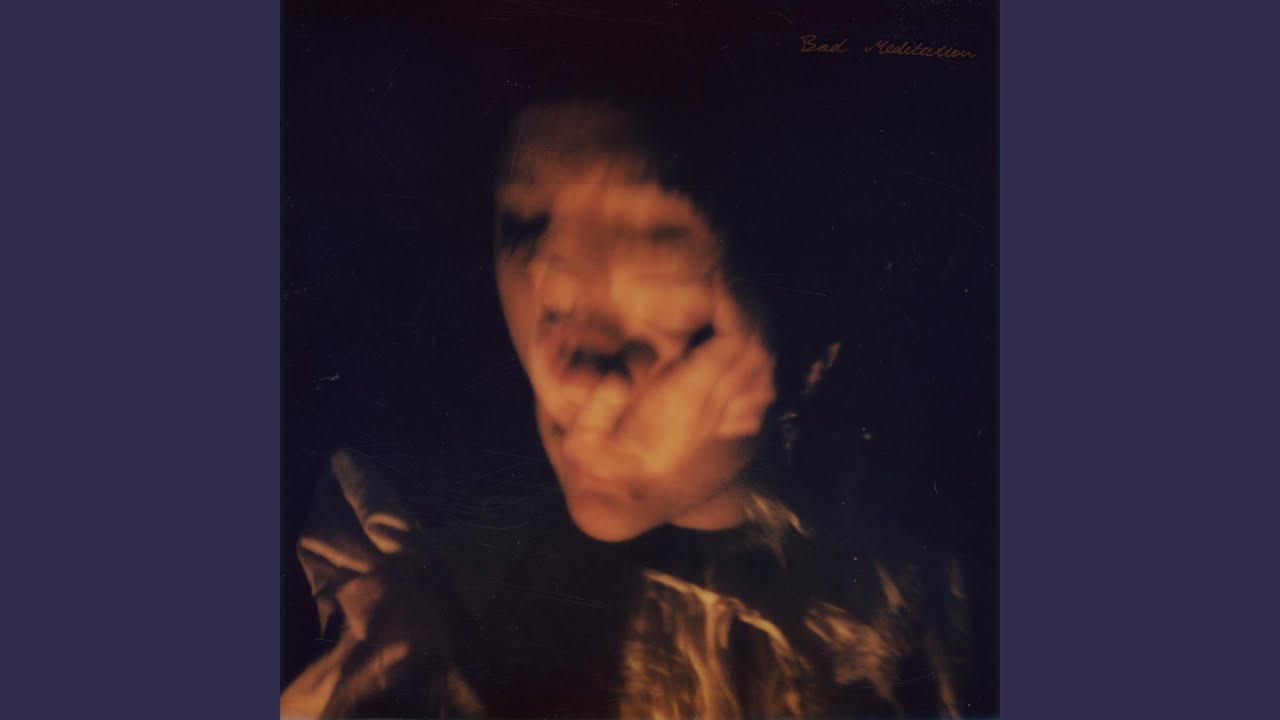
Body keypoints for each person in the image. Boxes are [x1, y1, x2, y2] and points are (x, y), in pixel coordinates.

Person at [282, 97, 979, 719]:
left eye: (654, 259)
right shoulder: (405, 554)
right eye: (523, 228)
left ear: (815, 337)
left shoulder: (940, 610)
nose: (565, 359)